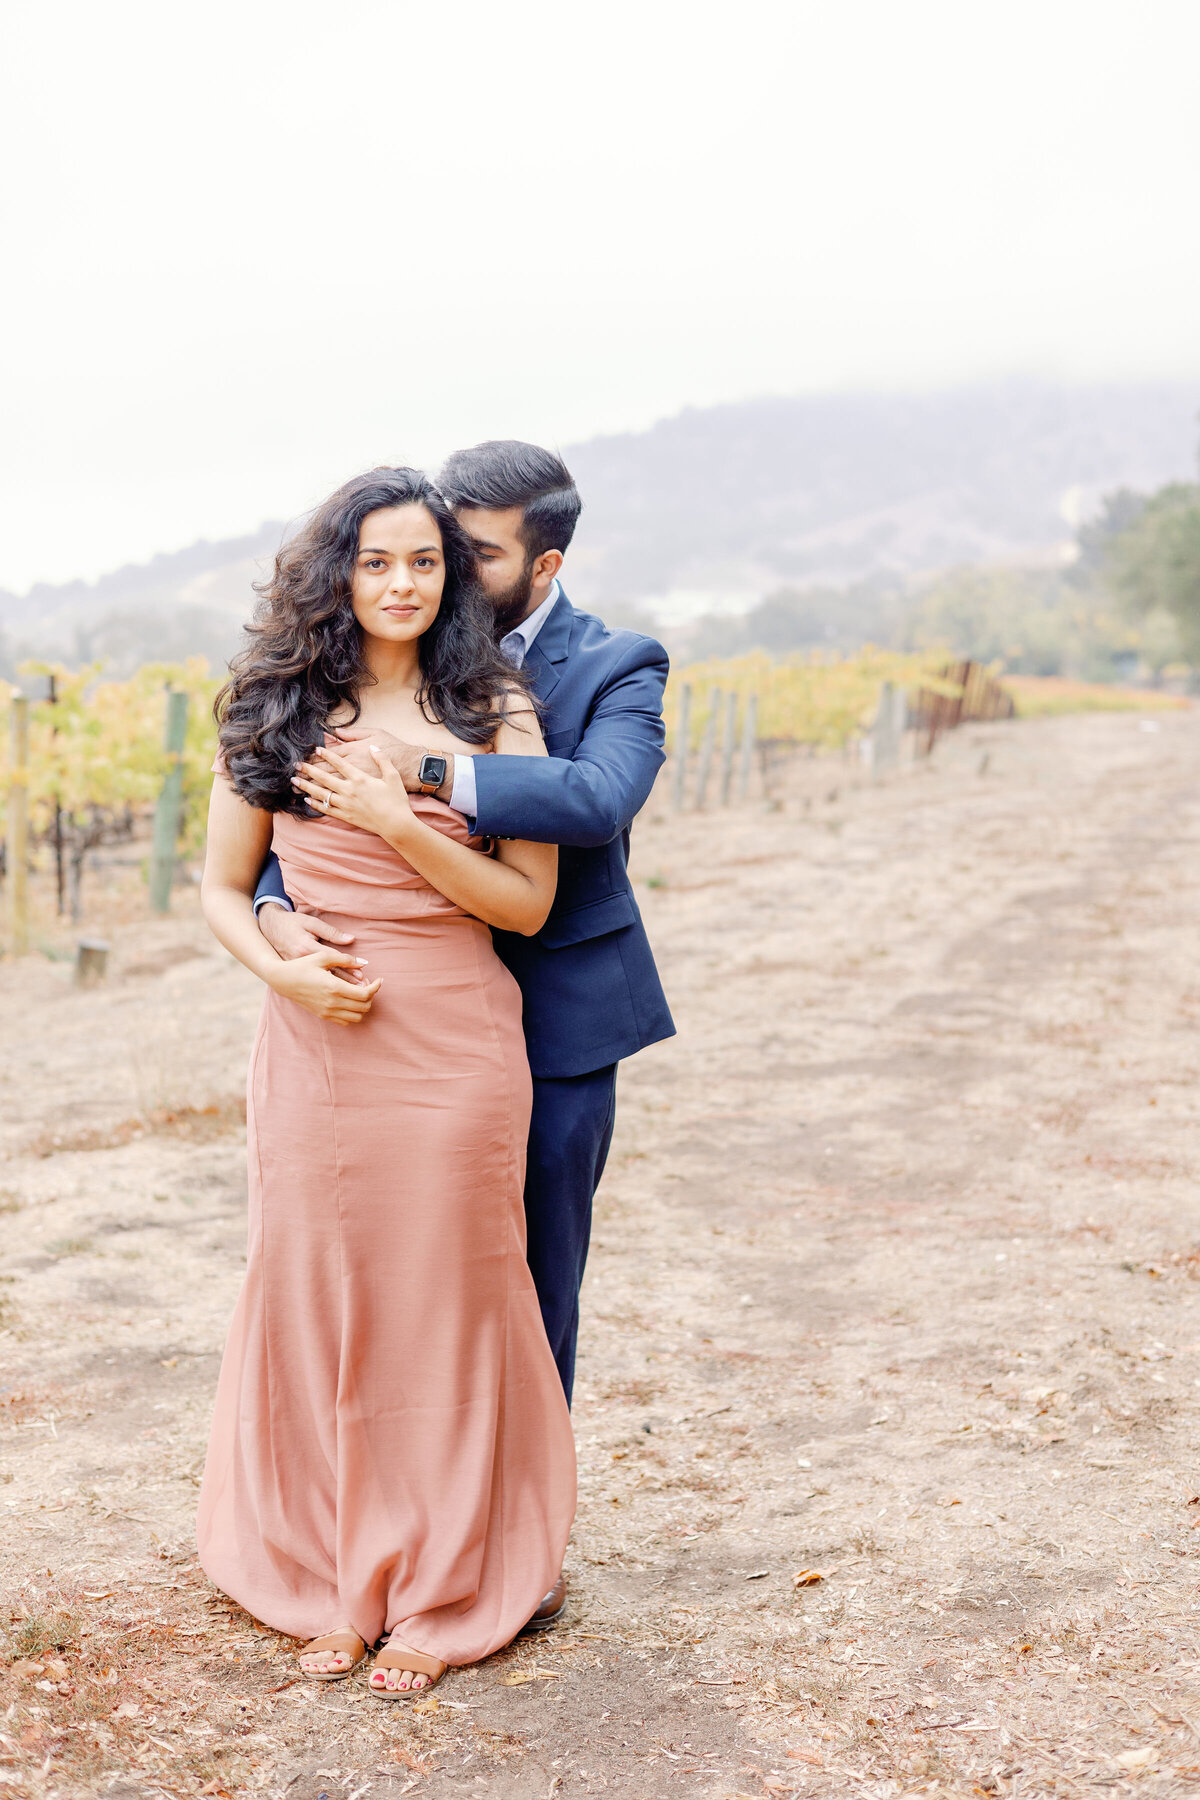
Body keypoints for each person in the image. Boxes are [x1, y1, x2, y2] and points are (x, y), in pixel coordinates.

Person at [256, 440, 675, 1631]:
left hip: (550, 1023)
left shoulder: (609, 665)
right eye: (420, 549)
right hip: (391, 1016)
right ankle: (381, 1530)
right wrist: (285, 915)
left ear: (541, 563)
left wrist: (422, 771)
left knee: (526, 1289)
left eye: (467, 554)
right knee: (387, 1287)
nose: (437, 572)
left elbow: (594, 803)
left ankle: (508, 1551)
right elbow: (271, 851)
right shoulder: (364, 665)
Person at [197, 466, 576, 1697]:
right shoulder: (276, 703)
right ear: (338, 573)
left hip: (456, 1044)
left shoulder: (493, 708)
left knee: (445, 1305)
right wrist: (282, 965)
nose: (402, 583)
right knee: (318, 1296)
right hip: (313, 1047)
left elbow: (524, 902)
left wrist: (400, 818)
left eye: (424, 561)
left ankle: (445, 1583)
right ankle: (326, 1571)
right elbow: (219, 887)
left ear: (451, 576)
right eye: (377, 562)